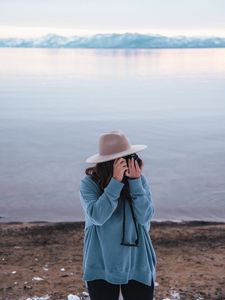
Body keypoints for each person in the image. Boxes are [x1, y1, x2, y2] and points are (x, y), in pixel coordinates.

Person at [79, 130, 156, 300]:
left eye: (131, 156)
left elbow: (145, 217)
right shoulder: (89, 184)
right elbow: (97, 217)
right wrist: (115, 182)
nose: (130, 161)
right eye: (125, 158)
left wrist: (135, 182)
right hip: (101, 260)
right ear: (110, 163)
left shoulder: (138, 180)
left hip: (137, 260)